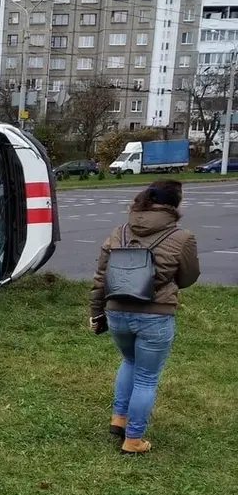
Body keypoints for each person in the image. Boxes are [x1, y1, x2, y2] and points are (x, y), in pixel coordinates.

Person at [89, 179, 200, 454]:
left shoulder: (119, 232)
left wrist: (95, 313)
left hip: (116, 312)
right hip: (156, 314)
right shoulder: (181, 237)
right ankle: (134, 439)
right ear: (173, 205)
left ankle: (119, 418)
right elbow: (188, 277)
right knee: (147, 378)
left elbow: (101, 278)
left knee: (128, 361)